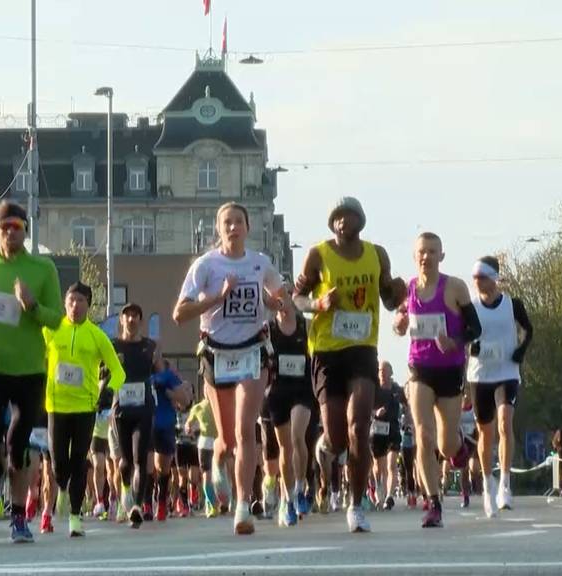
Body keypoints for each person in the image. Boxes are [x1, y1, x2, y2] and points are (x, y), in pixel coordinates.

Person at [173, 202, 289, 535]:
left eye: (239, 221)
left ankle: (242, 505)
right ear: (219, 228)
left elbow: (280, 299)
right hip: (216, 353)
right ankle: (216, 459)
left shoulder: (260, 263)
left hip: (252, 351)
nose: (233, 227)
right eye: (227, 222)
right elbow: (179, 314)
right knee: (225, 438)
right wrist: (217, 299)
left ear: (248, 228)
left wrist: (277, 305)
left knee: (245, 432)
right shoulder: (206, 265)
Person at [293, 196, 407, 533]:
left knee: (360, 428)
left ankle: (356, 506)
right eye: (337, 217)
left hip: (362, 348)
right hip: (327, 351)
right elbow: (296, 298)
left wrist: (396, 294)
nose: (344, 221)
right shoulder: (318, 254)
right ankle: (326, 446)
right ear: (332, 223)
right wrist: (317, 302)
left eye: (349, 216)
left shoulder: (377, 254)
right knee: (339, 437)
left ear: (360, 220)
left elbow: (387, 299)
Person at [0, 201, 63, 543]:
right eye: (5, 227)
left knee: (18, 443)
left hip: (30, 368)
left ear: (25, 230)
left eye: (17, 226)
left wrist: (31, 304)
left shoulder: (42, 268)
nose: (11, 232)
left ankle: (19, 518)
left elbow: (56, 318)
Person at [393, 232, 480, 528]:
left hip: (450, 370)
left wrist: (455, 342)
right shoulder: (409, 289)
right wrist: (400, 324)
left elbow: (475, 329)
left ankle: (459, 448)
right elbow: (399, 325)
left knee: (445, 445)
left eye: (432, 251)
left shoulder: (455, 287)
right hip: (419, 369)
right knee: (424, 436)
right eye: (421, 251)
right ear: (414, 255)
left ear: (441, 256)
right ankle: (434, 502)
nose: (426, 256)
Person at [43, 282, 125, 537]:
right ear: (64, 304)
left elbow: (119, 372)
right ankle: (63, 490)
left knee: (79, 461)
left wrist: (107, 392)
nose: (75, 306)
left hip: (85, 407)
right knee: (58, 463)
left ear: (88, 305)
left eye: (80, 301)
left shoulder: (97, 335)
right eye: (70, 301)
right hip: (56, 406)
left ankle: (76, 517)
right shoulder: (53, 329)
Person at [466, 256, 533, 517]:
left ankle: (505, 483)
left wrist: (521, 351)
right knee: (486, 433)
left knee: (505, 422)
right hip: (480, 374)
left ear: (493, 278)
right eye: (474, 278)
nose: (477, 282)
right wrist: (471, 347)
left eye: (481, 277)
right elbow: (465, 334)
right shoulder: (470, 306)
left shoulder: (512, 305)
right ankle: (487, 485)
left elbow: (528, 329)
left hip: (507, 371)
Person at [266, 291, 314, 526]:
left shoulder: (306, 326)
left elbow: (318, 354)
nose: (282, 301)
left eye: (286, 295)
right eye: (278, 297)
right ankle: (287, 499)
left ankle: (300, 486)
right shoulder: (268, 329)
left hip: (302, 389)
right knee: (285, 448)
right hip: (278, 392)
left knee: (297, 436)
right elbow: (260, 357)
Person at [111, 303, 159, 529]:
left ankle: (137, 506)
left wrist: (176, 389)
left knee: (141, 459)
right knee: (125, 462)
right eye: (127, 316)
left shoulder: (150, 346)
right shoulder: (113, 346)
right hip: (121, 409)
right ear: (121, 320)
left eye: (135, 316)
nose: (131, 320)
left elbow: (162, 371)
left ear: (140, 320)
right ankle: (125, 488)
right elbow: (103, 373)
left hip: (143, 408)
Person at [151, 359, 192, 522]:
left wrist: (169, 393)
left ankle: (161, 501)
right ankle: (146, 504)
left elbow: (186, 400)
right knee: (146, 465)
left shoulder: (169, 377)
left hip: (165, 425)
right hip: (146, 424)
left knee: (164, 468)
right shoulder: (142, 374)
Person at [371, 361, 403, 511]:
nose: (382, 373)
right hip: (377, 430)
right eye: (380, 371)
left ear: (391, 372)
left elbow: (409, 405)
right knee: (379, 467)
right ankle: (379, 492)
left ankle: (389, 496)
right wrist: (375, 413)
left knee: (391, 465)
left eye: (385, 370)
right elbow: (365, 407)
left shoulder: (397, 389)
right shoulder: (374, 389)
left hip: (393, 429)